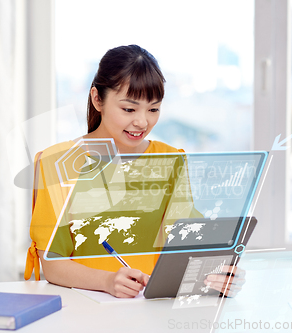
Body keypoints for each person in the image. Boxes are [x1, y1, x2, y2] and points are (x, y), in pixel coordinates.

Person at [24, 45, 244, 298]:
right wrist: (107, 281)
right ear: (97, 99)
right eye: (129, 109)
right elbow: (52, 264)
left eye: (153, 109)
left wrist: (218, 273)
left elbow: (184, 243)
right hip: (84, 307)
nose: (142, 122)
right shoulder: (59, 162)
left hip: (153, 307)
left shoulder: (170, 159)